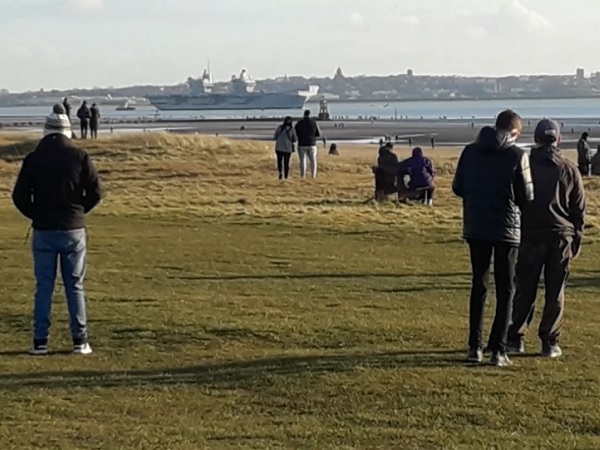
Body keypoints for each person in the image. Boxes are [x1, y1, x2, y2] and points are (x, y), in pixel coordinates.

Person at [11, 104, 103, 356]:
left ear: (45, 130)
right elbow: (96, 192)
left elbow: (19, 196)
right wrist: (78, 211)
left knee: (44, 286)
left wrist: (36, 214)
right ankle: (79, 340)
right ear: (68, 130)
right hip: (73, 228)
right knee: (74, 285)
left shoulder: (33, 159)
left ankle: (40, 342)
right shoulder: (80, 156)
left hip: (43, 229)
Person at [452, 110, 534, 367]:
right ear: (514, 132)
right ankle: (498, 349)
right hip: (507, 229)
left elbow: (457, 187)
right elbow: (526, 196)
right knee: (506, 288)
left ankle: (474, 347)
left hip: (476, 227)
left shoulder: (470, 151)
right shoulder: (518, 155)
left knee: (479, 285)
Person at [506, 120, 585, 358]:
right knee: (555, 290)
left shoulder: (524, 165)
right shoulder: (568, 168)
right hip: (560, 236)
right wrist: (577, 239)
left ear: (537, 139)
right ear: (558, 140)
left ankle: (516, 337)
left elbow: (514, 199)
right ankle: (549, 342)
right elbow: (578, 209)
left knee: (525, 288)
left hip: (530, 234)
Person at [295, 110, 323, 179]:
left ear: (304, 115)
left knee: (302, 161)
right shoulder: (313, 123)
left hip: (302, 144)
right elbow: (318, 134)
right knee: (313, 160)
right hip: (312, 143)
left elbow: (295, 133)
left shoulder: (299, 123)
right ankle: (313, 175)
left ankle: (303, 176)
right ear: (310, 114)